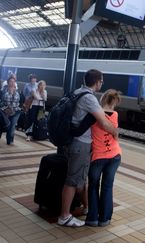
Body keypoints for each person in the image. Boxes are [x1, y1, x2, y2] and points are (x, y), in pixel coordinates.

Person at [57, 69, 119, 227]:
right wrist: (115, 132)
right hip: (80, 144)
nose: (102, 84)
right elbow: (104, 123)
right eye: (101, 81)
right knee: (72, 181)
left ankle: (87, 207)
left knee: (80, 179)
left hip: (74, 141)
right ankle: (64, 215)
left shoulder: (77, 91)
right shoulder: (90, 98)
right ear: (97, 82)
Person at [86, 89, 122, 227]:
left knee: (93, 186)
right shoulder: (115, 115)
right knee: (107, 186)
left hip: (98, 157)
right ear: (114, 102)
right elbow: (114, 133)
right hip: (114, 155)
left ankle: (92, 218)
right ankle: (104, 219)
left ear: (102, 99)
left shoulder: (94, 114)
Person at [0, 76, 21, 145]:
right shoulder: (4, 90)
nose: (12, 83)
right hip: (5, 112)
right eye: (10, 81)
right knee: (3, 126)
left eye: (13, 81)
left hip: (15, 112)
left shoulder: (17, 91)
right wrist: (10, 93)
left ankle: (10, 140)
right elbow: (5, 101)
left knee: (12, 127)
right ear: (8, 82)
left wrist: (13, 93)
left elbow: (17, 101)